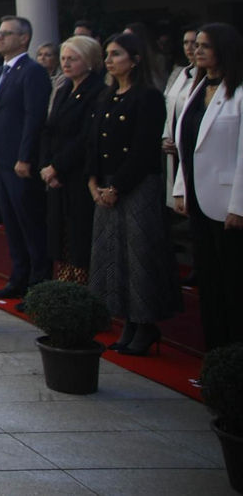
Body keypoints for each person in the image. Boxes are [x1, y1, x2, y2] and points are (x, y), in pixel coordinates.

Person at [89, 30, 182, 355]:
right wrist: (94, 182)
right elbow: (95, 141)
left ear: (135, 60)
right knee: (113, 256)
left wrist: (116, 187)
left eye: (116, 54)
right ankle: (127, 319)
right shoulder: (107, 95)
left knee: (139, 255)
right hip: (105, 185)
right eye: (108, 54)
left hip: (135, 185)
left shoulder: (148, 97)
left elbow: (144, 150)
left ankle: (145, 324)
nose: (109, 60)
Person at [172, 22, 243, 349]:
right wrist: (181, 187)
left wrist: (238, 207)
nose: (196, 51)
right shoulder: (196, 89)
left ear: (224, 50)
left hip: (228, 203)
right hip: (199, 199)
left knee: (233, 283)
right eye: (195, 44)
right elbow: (186, 144)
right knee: (210, 283)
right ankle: (216, 354)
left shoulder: (240, 92)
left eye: (205, 46)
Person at [0, 16, 52, 302]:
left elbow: (34, 118)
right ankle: (18, 278)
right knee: (10, 224)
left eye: (6, 34)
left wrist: (25, 157)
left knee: (30, 225)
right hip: (0, 161)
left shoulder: (32, 71)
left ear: (24, 39)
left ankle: (38, 285)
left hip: (20, 164)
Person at [38, 36, 103, 284]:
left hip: (76, 175)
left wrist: (57, 167)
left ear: (89, 61)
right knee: (60, 234)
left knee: (78, 234)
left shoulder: (96, 91)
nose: (65, 63)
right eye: (63, 58)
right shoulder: (64, 88)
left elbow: (85, 137)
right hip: (55, 175)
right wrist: (45, 166)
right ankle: (65, 286)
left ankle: (82, 289)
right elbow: (48, 129)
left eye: (72, 59)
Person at [163, 27, 199, 213]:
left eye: (195, 42)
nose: (190, 47)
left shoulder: (212, 77)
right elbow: (168, 104)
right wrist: (165, 137)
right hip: (173, 148)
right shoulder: (179, 73)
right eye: (186, 42)